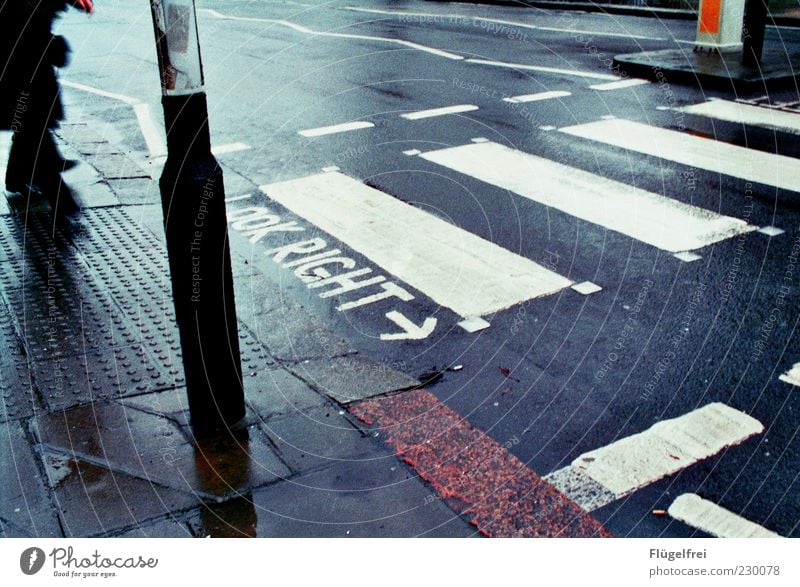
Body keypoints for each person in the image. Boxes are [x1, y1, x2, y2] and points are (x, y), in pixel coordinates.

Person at [0, 0, 93, 213]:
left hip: (26, 73)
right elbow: (25, 39)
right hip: (24, 75)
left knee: (31, 128)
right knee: (35, 131)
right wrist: (54, 47)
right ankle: (62, 201)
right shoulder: (27, 10)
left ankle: (17, 177)